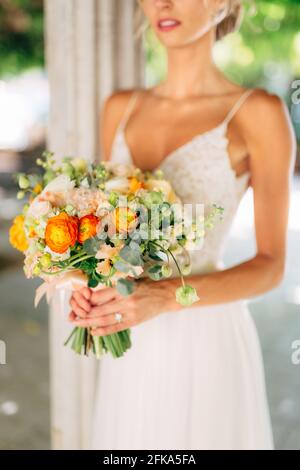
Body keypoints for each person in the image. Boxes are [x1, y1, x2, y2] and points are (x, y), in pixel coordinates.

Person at [69, 0, 295, 450]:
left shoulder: (258, 113)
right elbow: (105, 235)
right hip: (130, 340)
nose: (162, 4)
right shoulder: (120, 107)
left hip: (206, 337)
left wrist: (163, 296)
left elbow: (271, 266)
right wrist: (83, 282)